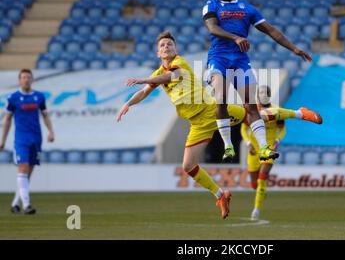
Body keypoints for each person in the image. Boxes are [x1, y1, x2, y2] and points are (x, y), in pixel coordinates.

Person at [116, 31, 308, 219]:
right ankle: (220, 195)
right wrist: (127, 104)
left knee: (254, 115)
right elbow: (143, 92)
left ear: (175, 49)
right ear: (158, 53)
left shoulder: (179, 63)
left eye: (169, 44)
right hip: (198, 124)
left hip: (213, 110)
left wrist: (145, 79)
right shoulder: (158, 72)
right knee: (188, 166)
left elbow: (169, 78)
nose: (166, 47)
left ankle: (299, 113)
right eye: (162, 45)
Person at [203, 0, 312, 163]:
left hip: (240, 60)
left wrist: (294, 48)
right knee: (220, 98)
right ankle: (228, 145)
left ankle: (264, 149)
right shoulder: (211, 4)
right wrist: (235, 38)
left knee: (251, 106)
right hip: (218, 57)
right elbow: (212, 28)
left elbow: (271, 30)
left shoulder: (247, 9)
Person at [241, 85, 322, 220]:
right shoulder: (252, 109)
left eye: (265, 93)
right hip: (254, 150)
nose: (262, 95)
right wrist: (248, 143)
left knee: (262, 177)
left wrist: (277, 141)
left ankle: (256, 209)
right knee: (254, 184)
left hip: (268, 148)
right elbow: (243, 129)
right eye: (260, 93)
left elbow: (282, 130)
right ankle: (261, 193)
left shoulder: (275, 111)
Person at [0, 69, 55, 215]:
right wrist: (3, 140)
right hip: (21, 139)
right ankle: (27, 205)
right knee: (23, 168)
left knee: (27, 173)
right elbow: (8, 120)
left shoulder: (39, 97)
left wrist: (51, 131)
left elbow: (45, 115)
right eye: (23, 77)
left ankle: (15, 203)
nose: (26, 80)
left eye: (28, 77)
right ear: (19, 80)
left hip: (36, 138)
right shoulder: (13, 98)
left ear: (32, 80)